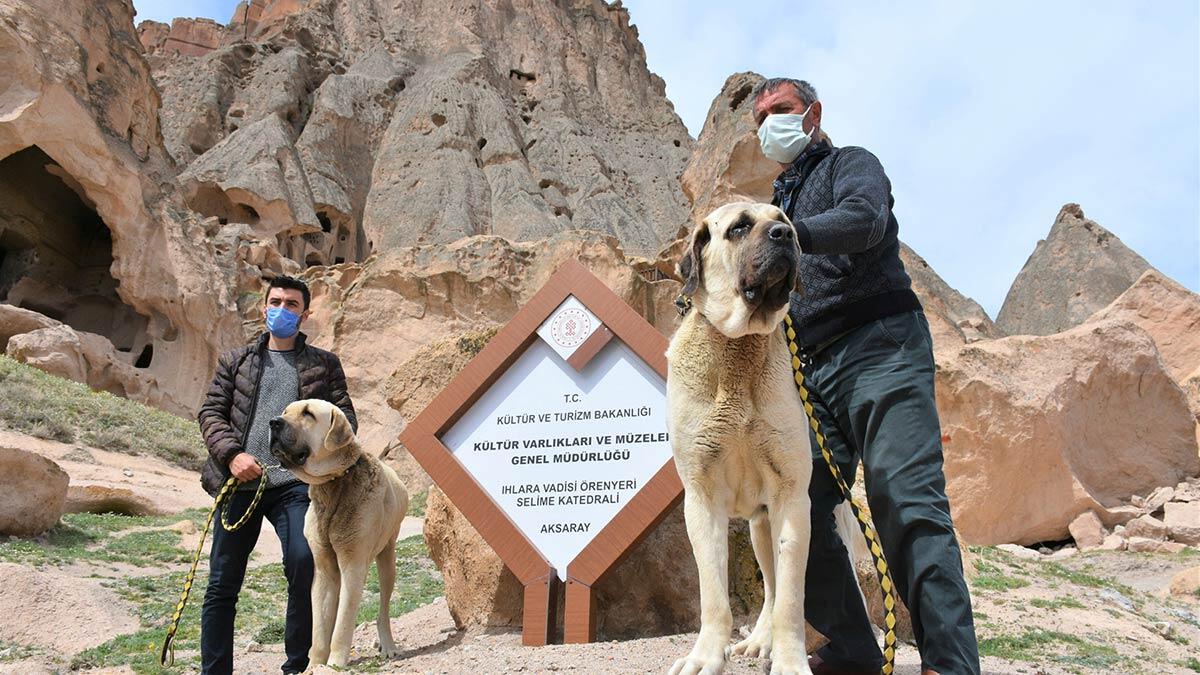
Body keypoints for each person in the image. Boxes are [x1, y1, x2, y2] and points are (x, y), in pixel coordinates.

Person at [751, 77, 981, 675]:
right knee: (791, 506)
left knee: (904, 501)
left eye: (780, 110)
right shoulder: (780, 202)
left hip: (881, 348)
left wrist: (787, 237)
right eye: (760, 119)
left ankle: (950, 664)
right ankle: (851, 647)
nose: (768, 124)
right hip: (811, 371)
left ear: (813, 114)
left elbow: (863, 219)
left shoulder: (851, 166)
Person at [197, 275, 358, 675]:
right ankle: (214, 670)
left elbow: (345, 419)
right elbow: (211, 413)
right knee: (222, 582)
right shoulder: (236, 361)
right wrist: (233, 455)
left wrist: (314, 459)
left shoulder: (323, 364)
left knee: (304, 566)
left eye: (291, 305)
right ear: (262, 307)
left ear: (305, 314)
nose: (281, 310)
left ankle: (297, 666)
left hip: (297, 488)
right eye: (275, 301)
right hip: (240, 483)